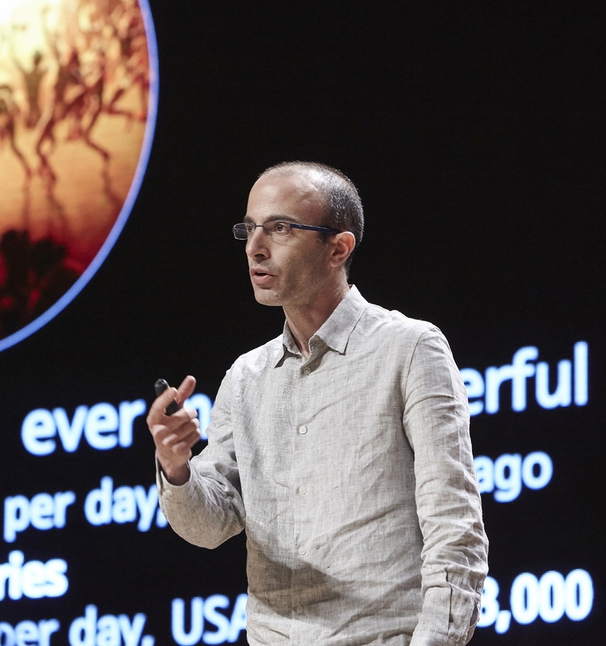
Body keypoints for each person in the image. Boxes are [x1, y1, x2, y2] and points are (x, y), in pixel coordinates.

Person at [147, 162, 488, 645]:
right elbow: (210, 526)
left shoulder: (409, 349)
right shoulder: (246, 377)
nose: (255, 247)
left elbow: (456, 533)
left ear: (338, 248)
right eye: (249, 228)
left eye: (280, 228)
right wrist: (175, 464)